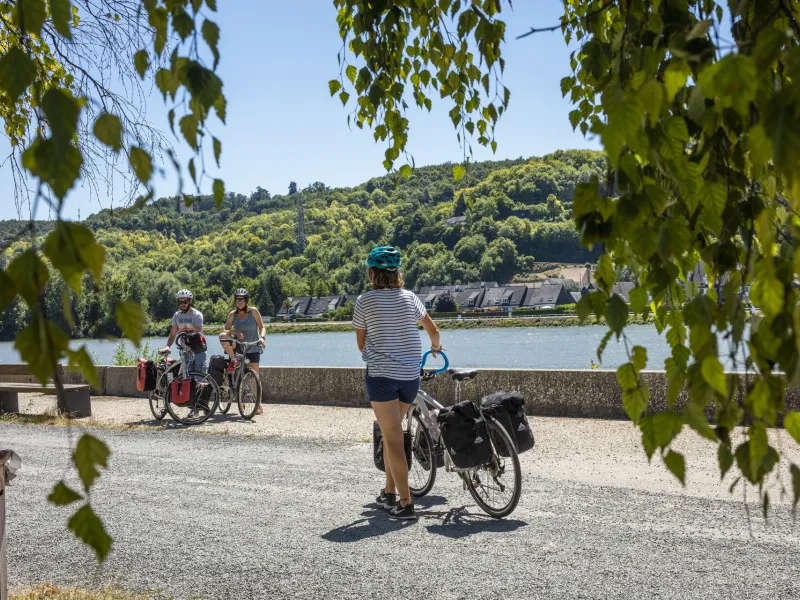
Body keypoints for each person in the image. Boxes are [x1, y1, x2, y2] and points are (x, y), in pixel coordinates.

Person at [352, 246, 442, 521]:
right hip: (410, 378)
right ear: (397, 274)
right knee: (393, 435)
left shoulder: (364, 301)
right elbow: (433, 330)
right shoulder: (410, 297)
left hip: (382, 378)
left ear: (372, 273)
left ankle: (405, 503)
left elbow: (361, 344)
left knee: (392, 438)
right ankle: (389, 493)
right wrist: (436, 348)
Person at [161, 289, 207, 419]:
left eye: (185, 301)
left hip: (198, 351)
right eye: (180, 302)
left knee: (200, 380)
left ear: (190, 301)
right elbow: (173, 334)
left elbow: (196, 334)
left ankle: (203, 406)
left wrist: (187, 339)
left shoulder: (197, 315)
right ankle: (194, 410)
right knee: (188, 381)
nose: (182, 304)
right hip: (185, 352)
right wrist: (167, 346)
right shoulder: (177, 316)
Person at [220, 288, 267, 414]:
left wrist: (262, 338)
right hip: (239, 346)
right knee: (222, 336)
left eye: (242, 299)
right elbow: (225, 331)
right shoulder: (232, 315)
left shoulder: (254, 312)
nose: (239, 302)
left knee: (254, 376)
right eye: (237, 299)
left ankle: (258, 404)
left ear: (246, 300)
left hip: (253, 346)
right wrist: (234, 332)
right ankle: (234, 360)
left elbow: (262, 327)